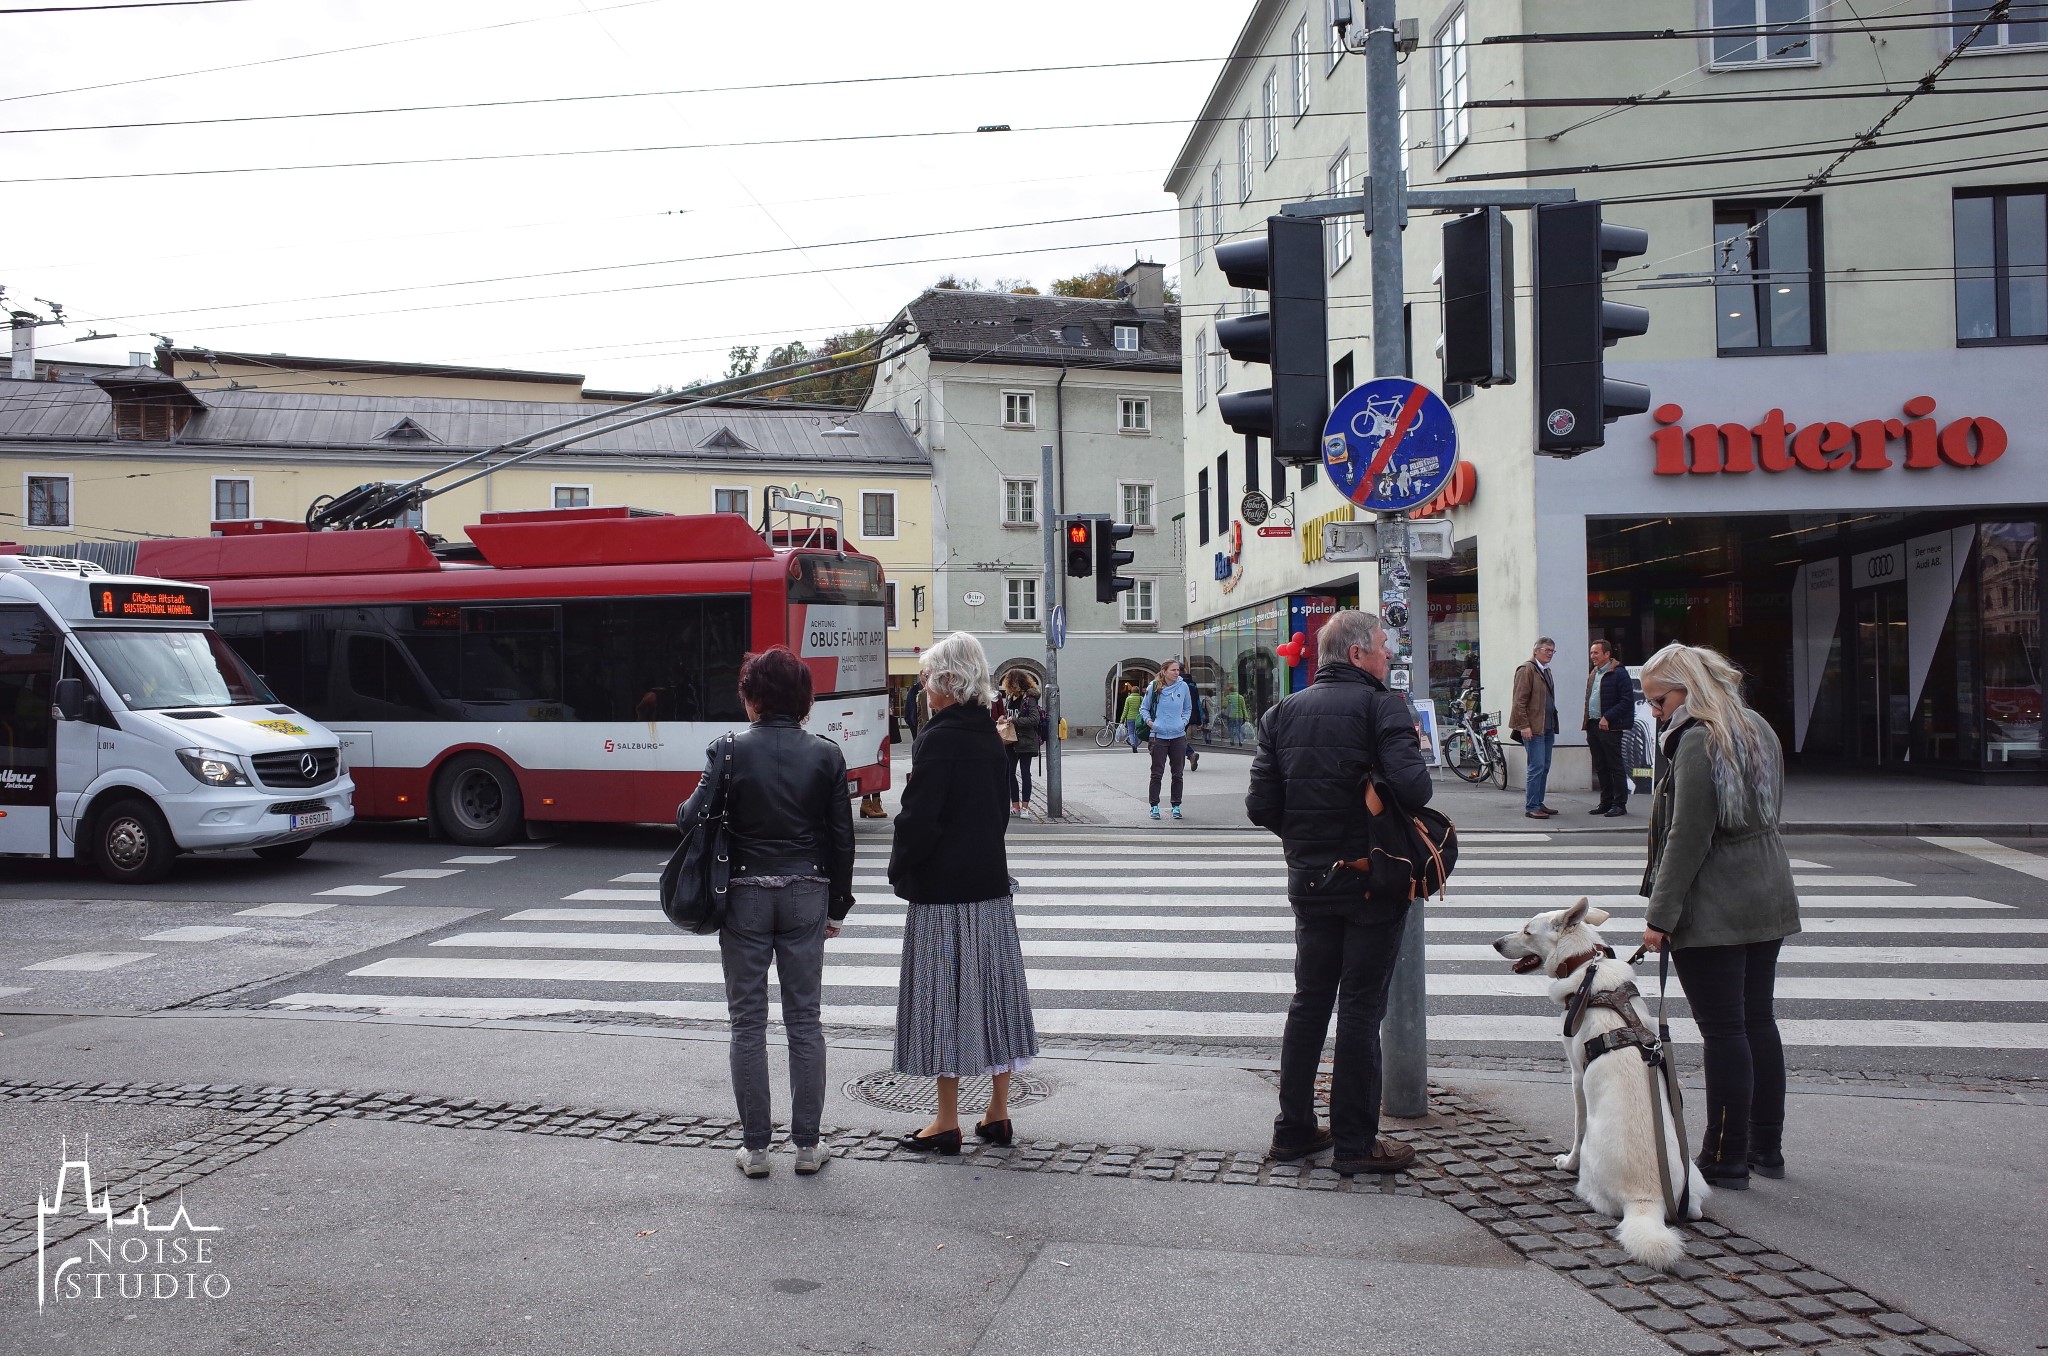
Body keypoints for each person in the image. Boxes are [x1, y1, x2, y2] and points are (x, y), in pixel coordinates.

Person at [1246, 610, 1430, 1177]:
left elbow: (1260, 807)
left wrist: (1306, 841)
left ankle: (1294, 1129)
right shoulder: (1383, 708)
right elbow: (1414, 789)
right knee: (1358, 1009)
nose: (1388, 657)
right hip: (1371, 881)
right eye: (1381, 647)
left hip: (1309, 878)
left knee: (1308, 1004)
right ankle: (1355, 1141)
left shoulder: (1281, 714)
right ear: (1356, 655)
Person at [679, 645, 856, 1179]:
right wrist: (838, 906)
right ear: (804, 700)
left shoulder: (728, 749)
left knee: (747, 1023)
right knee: (805, 1021)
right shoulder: (827, 755)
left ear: (750, 697)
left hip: (745, 894)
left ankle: (755, 1149)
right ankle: (807, 1146)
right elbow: (842, 840)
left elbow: (690, 817)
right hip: (807, 891)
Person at [1637, 643, 1800, 1191]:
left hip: (1716, 901)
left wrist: (1660, 916)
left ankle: (1724, 1156)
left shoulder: (1698, 739)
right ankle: (1764, 1147)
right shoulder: (1755, 725)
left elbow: (1688, 834)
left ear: (1689, 689)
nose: (1655, 712)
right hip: (1768, 888)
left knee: (1724, 1029)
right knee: (1758, 1021)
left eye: (1659, 700)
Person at [887, 631, 1040, 1154]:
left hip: (943, 896)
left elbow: (918, 821)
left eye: (929, 676)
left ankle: (946, 1120)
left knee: (944, 1004)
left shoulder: (937, 739)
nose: (924, 684)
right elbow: (998, 814)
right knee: (994, 999)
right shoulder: (988, 735)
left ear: (949, 682)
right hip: (991, 890)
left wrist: (899, 867)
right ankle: (998, 1112)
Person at [1510, 636, 1561, 820]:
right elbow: (1519, 701)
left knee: (1544, 766)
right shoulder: (1527, 670)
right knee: (1536, 766)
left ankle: (1539, 802)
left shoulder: (1545, 670)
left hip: (1546, 726)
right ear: (1536, 651)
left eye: (1552, 651)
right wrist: (1524, 725)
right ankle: (1532, 806)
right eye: (1546, 650)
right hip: (1533, 727)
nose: (1550, 654)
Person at [1585, 639, 1633, 817]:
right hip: (1593, 725)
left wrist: (1608, 717)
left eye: (1596, 653)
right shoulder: (1594, 673)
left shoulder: (1619, 673)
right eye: (1591, 653)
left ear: (1607, 654)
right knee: (1600, 766)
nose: (1593, 656)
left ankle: (1619, 804)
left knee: (1615, 765)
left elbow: (1627, 701)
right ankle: (1605, 802)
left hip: (1610, 726)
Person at [1142, 659, 1195, 820]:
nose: (1176, 673)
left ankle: (1176, 805)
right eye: (1173, 670)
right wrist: (1151, 723)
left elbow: (1188, 708)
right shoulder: (1154, 687)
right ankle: (1154, 806)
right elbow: (1143, 708)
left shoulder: (1183, 686)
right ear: (1164, 671)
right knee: (1156, 773)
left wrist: (1183, 722)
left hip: (1178, 735)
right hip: (1158, 736)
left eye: (1178, 670)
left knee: (1177, 773)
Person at [997, 671, 1043, 816]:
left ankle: (1025, 807)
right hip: (1010, 740)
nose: (1010, 688)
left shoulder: (1029, 699)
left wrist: (1013, 720)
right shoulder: (1010, 697)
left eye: (1012, 684)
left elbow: (1034, 720)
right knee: (1010, 773)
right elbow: (1009, 714)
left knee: (1025, 773)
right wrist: (1003, 718)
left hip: (1025, 740)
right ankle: (1015, 806)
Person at [1222, 682, 1249, 747]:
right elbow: (1244, 708)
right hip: (1239, 716)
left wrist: (1224, 698)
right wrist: (1246, 716)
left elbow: (1224, 706)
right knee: (1238, 729)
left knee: (1230, 729)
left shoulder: (1228, 697)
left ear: (1230, 690)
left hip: (1231, 716)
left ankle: (1232, 741)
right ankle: (1240, 741)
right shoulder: (1241, 697)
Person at [1119, 682, 1144, 752]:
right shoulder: (1140, 698)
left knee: (1130, 732)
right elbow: (1143, 708)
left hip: (1130, 718)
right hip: (1138, 718)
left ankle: (1132, 744)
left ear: (1132, 691)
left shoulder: (1128, 699)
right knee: (1136, 732)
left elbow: (1125, 709)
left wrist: (1122, 718)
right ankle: (1136, 745)